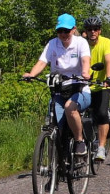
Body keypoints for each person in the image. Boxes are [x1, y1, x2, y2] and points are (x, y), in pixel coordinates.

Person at [22, 14, 92, 162]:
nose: (63, 34)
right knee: (56, 126)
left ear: (73, 30)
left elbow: (86, 60)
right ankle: (58, 165)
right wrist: (31, 74)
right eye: (59, 31)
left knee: (69, 108)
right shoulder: (53, 44)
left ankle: (80, 142)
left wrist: (85, 72)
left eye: (66, 31)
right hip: (59, 89)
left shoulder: (81, 43)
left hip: (79, 88)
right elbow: (42, 62)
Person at [81, 17, 110, 161]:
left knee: (101, 113)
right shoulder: (82, 44)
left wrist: (109, 78)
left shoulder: (106, 42)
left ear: (99, 30)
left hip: (102, 85)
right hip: (85, 85)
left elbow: (109, 61)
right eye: (89, 29)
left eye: (95, 29)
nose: (92, 32)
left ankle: (101, 147)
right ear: (86, 32)